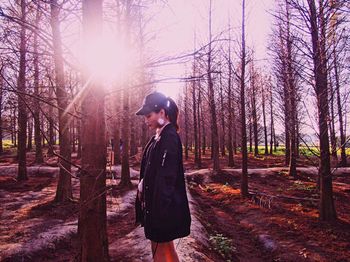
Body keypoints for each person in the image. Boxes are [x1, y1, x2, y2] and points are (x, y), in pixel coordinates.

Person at [134, 91, 191, 261]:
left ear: (162, 113)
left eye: (149, 115)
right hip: (156, 207)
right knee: (164, 247)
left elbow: (167, 178)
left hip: (162, 209)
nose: (146, 120)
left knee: (159, 249)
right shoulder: (158, 138)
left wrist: (159, 211)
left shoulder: (169, 138)